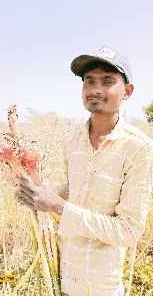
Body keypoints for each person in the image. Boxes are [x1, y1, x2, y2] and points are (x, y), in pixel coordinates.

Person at [15, 45, 153, 296]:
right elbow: (75, 188)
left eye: (107, 81)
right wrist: (40, 194)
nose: (96, 89)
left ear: (128, 91)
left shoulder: (139, 148)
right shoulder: (73, 140)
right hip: (62, 271)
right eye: (89, 81)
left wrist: (57, 206)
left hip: (101, 283)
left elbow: (129, 231)